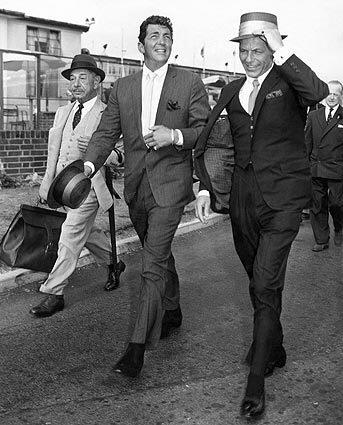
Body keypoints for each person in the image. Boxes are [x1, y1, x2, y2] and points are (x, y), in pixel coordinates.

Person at [194, 12, 328, 419]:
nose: (251, 57)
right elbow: (208, 138)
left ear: (271, 48)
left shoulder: (289, 83)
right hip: (242, 200)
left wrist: (282, 49)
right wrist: (203, 185)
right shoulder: (231, 90)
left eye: (259, 49)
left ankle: (255, 384)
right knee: (258, 280)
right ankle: (276, 345)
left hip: (284, 200)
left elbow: (319, 90)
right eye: (245, 50)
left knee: (266, 281)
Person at [83, 15, 210, 377]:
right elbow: (106, 133)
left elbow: (204, 130)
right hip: (137, 187)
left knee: (150, 263)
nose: (162, 41)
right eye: (154, 36)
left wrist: (176, 136)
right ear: (141, 45)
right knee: (160, 252)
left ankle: (136, 348)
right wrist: (89, 167)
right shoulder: (123, 87)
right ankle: (172, 309)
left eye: (167, 36)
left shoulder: (189, 82)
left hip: (171, 184)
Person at [30, 53, 123, 318]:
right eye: (73, 78)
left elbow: (122, 153)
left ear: (96, 82)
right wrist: (46, 182)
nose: (77, 83)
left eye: (83, 77)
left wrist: (102, 153)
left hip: (89, 187)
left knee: (70, 233)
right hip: (60, 186)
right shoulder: (62, 112)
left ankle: (54, 292)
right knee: (86, 232)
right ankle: (114, 263)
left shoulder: (108, 114)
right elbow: (54, 151)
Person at [305, 80, 343, 250]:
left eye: (336, 94)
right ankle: (321, 240)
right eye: (329, 93)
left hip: (337, 169)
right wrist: (305, 165)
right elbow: (307, 142)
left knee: (336, 203)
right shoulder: (314, 115)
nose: (332, 97)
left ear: (340, 96)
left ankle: (339, 227)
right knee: (317, 204)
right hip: (316, 167)